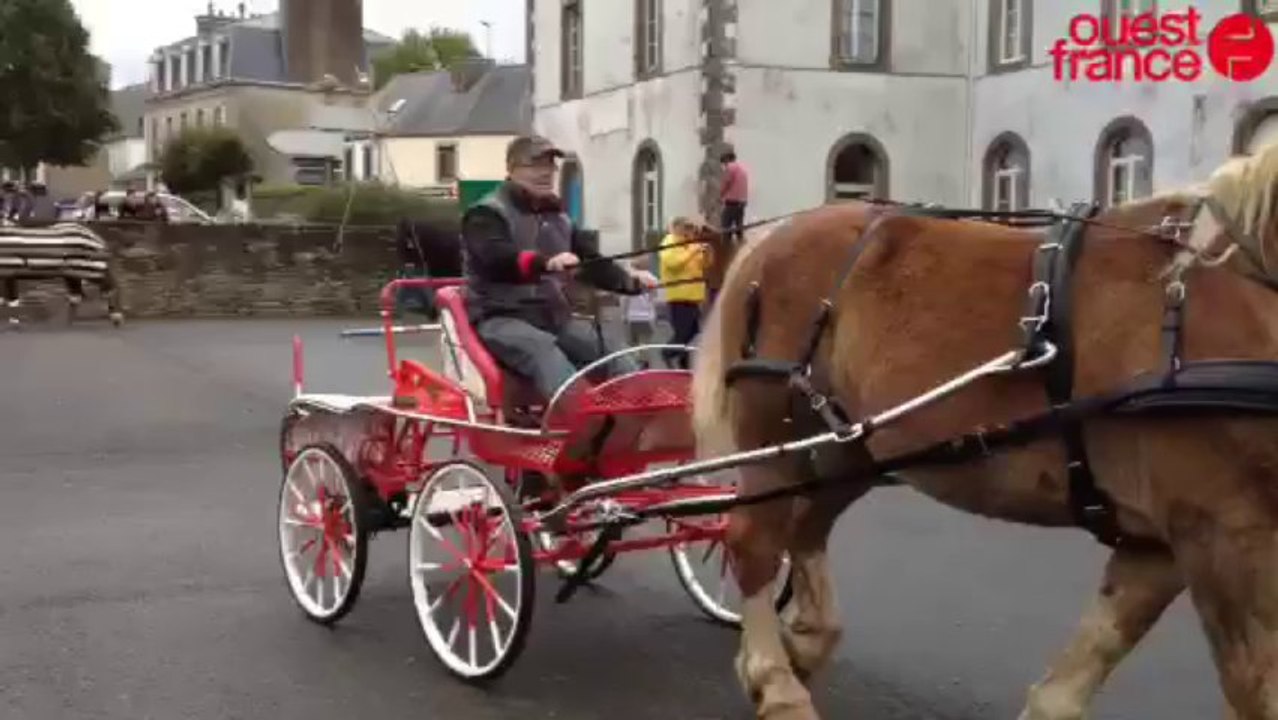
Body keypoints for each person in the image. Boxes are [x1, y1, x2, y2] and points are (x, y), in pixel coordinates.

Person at [461, 134, 660, 402]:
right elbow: (496, 258)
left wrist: (629, 282)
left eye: (550, 165)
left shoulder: (559, 216)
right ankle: (581, 419)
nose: (545, 172)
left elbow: (590, 262)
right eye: (535, 165)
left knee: (610, 347)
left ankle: (644, 411)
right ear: (511, 168)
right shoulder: (485, 214)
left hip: (552, 317)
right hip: (498, 318)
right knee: (542, 350)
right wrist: (546, 263)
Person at [658, 217, 708, 369]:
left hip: (693, 297)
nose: (690, 230)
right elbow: (674, 263)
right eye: (687, 227)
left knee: (693, 332)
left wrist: (706, 253)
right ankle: (667, 354)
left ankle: (683, 363)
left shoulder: (690, 243)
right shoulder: (669, 242)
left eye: (691, 227)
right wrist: (694, 250)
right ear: (676, 227)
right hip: (679, 297)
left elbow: (702, 265)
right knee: (682, 334)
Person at [720, 147, 749, 244]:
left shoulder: (730, 167)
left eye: (723, 162)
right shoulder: (743, 169)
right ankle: (741, 246)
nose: (724, 165)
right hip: (742, 202)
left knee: (725, 227)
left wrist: (720, 195)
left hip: (732, 202)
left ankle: (726, 249)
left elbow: (726, 183)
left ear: (727, 159)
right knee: (738, 226)